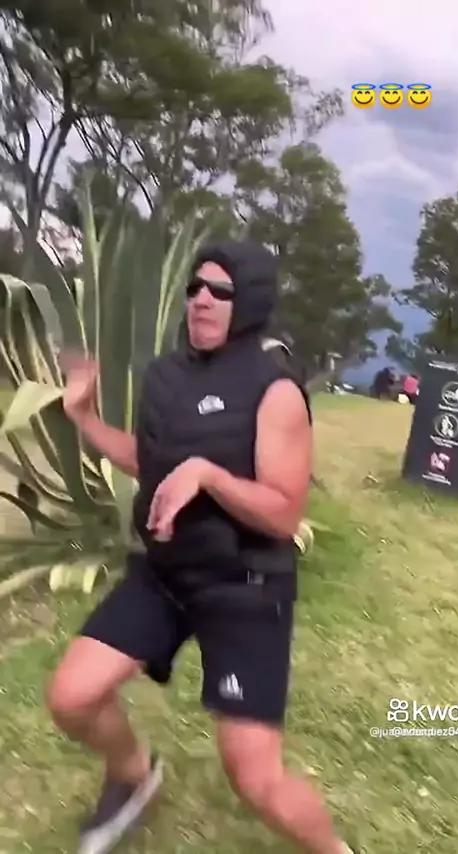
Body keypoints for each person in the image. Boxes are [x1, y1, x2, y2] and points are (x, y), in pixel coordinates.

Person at [46, 240, 354, 854]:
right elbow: (147, 460)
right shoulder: (166, 377)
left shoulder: (275, 392)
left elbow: (283, 513)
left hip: (244, 585)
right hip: (165, 575)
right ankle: (135, 776)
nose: (201, 300)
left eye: (220, 290)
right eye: (194, 288)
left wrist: (208, 476)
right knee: (71, 698)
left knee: (256, 780)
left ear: (250, 302)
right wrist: (84, 417)